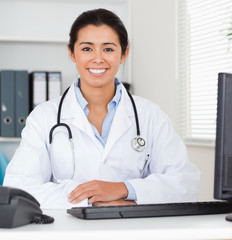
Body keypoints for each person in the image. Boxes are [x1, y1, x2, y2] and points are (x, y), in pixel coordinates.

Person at [4, 9, 200, 209]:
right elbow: (19, 188)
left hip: (135, 230)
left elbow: (185, 183)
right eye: (87, 49)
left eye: (108, 49)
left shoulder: (150, 115)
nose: (98, 59)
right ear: (72, 53)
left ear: (124, 54)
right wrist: (92, 199)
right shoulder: (44, 117)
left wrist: (123, 189)